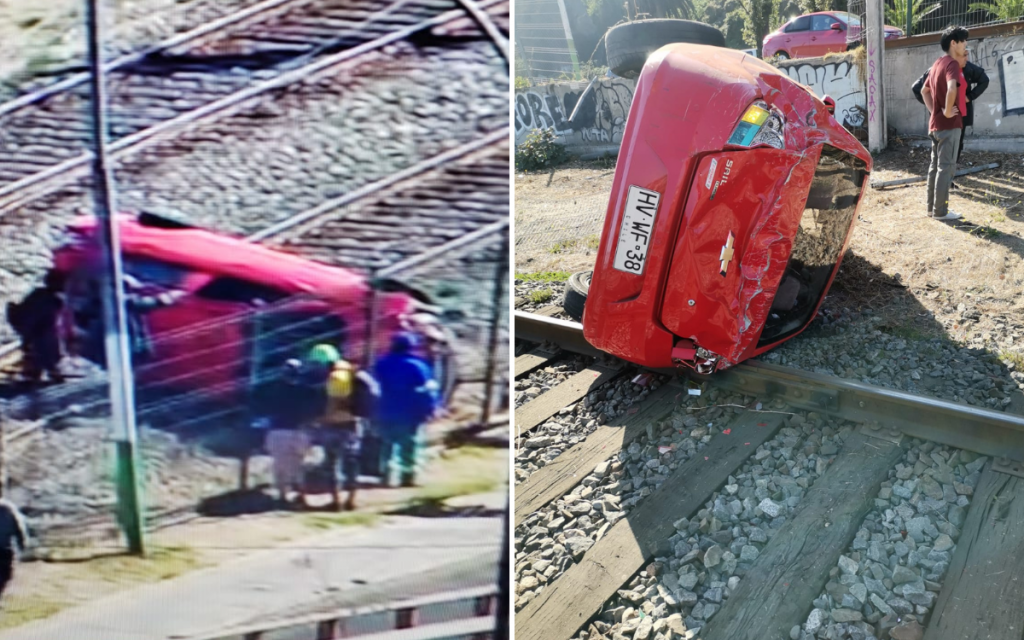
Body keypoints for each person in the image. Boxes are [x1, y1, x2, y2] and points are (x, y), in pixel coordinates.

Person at [911, 46, 989, 185]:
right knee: (942, 152)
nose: (966, 58)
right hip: (943, 120)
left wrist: (969, 97)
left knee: (955, 147)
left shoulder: (968, 68)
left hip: (960, 116)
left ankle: (948, 179)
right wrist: (935, 109)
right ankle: (943, 182)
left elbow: (985, 80)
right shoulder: (938, 68)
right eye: (964, 54)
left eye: (967, 55)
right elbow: (918, 89)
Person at [374, 333, 440, 488]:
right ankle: (408, 476)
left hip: (385, 410)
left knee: (387, 444)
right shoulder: (418, 366)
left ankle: (386, 475)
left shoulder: (381, 363)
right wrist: (432, 408)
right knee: (409, 444)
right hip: (410, 412)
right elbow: (427, 390)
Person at [316, 355, 380, 511]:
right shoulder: (357, 377)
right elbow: (375, 393)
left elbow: (320, 401)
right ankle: (351, 500)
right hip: (352, 423)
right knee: (351, 462)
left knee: (331, 463)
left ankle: (336, 501)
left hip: (330, 423)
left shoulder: (327, 378)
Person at [920, 26, 969, 221]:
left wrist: (935, 111)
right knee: (945, 167)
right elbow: (952, 88)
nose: (966, 45)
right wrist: (948, 111)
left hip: (935, 125)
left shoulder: (936, 64)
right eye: (963, 41)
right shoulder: (952, 64)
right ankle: (941, 212)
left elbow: (924, 91)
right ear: (953, 43)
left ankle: (932, 209)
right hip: (949, 126)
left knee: (934, 167)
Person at [260, 359, 315, 508]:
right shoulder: (305, 389)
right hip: (299, 430)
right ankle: (301, 495)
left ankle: (283, 496)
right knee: (299, 465)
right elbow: (311, 410)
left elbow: (265, 408)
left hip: (278, 430)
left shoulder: (273, 389)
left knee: (280, 466)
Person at [7, 270, 66, 384]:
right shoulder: (46, 300)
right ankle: (41, 370)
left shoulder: (44, 297)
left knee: (43, 344)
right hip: (36, 333)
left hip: (36, 331)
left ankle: (40, 370)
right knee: (43, 345)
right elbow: (32, 319)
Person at [0, 497, 29, 602]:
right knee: (3, 578)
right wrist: (22, 545)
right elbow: (19, 530)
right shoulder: (9, 509)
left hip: (4, 552)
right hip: (5, 552)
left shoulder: (8, 509)